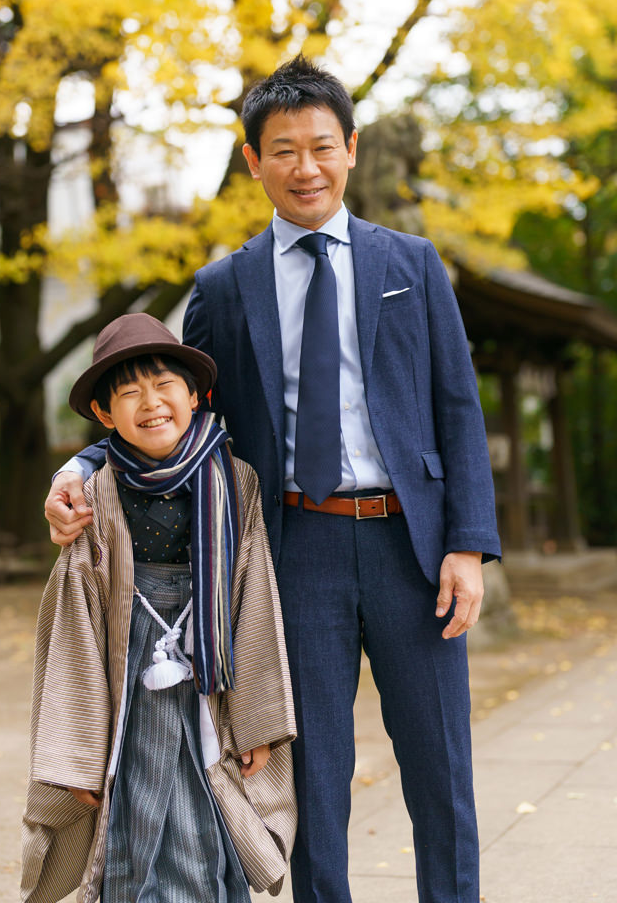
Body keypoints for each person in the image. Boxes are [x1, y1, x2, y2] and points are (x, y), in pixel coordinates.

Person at [45, 55, 502, 903]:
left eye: (322, 146)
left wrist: (469, 545)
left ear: (351, 149)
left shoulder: (413, 264)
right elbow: (175, 418)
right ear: (253, 161)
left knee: (442, 768)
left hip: (415, 546)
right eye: (283, 150)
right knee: (314, 779)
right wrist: (80, 465)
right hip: (295, 553)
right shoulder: (224, 286)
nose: (307, 168)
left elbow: (457, 408)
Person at [22, 313, 297, 903]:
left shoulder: (234, 480)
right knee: (135, 812)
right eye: (128, 393)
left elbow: (253, 598)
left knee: (205, 813)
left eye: (165, 385)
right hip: (126, 685)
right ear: (103, 414)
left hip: (210, 676)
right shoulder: (91, 494)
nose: (151, 403)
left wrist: (255, 721)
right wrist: (80, 751)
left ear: (194, 396)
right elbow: (74, 624)